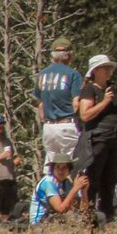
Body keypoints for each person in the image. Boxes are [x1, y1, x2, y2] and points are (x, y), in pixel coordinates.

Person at [74, 53, 117, 224]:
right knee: (93, 179)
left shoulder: (111, 89)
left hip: (113, 138)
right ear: (96, 70)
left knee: (109, 181)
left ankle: (107, 218)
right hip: (97, 139)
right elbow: (85, 115)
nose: (109, 70)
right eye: (105, 67)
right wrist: (104, 102)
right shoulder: (90, 90)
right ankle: (89, 216)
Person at [34, 37, 83, 166]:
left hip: (49, 127)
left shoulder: (42, 75)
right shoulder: (73, 75)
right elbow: (76, 102)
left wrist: (45, 118)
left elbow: (40, 104)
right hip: (66, 124)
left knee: (51, 165)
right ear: (69, 55)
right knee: (70, 165)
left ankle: (50, 185)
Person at [30, 156, 89, 226]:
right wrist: (75, 188)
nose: (61, 171)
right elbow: (60, 209)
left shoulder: (66, 183)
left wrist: (84, 191)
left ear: (69, 170)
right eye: (57, 167)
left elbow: (81, 211)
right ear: (53, 169)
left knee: (98, 217)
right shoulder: (48, 182)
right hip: (41, 222)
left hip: (57, 218)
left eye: (64, 168)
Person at [0, 115, 15, 220]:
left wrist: (16, 161)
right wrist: (1, 157)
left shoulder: (7, 141)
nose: (0, 126)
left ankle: (5, 228)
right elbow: (4, 156)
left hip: (9, 178)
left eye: (2, 124)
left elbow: (15, 156)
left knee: (7, 208)